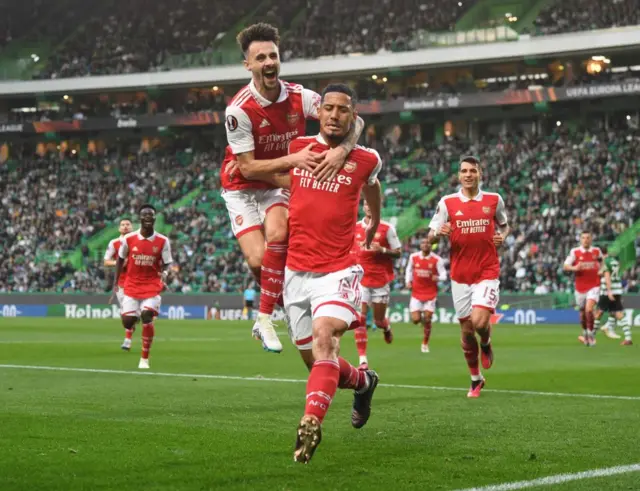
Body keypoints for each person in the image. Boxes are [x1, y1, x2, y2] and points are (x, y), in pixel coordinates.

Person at [222, 23, 365, 354]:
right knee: (258, 260)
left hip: (278, 184)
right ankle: (281, 307)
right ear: (248, 65)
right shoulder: (239, 109)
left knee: (279, 232)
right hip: (242, 187)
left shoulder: (300, 97)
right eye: (260, 58)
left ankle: (268, 315)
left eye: (273, 55)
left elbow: (353, 120)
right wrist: (295, 158)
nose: (269, 62)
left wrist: (342, 150)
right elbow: (246, 167)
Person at [261, 84, 381, 463]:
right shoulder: (298, 147)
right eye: (327, 108)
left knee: (326, 336)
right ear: (320, 112)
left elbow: (373, 187)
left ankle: (311, 422)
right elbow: (273, 174)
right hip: (297, 272)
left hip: (340, 268)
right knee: (317, 362)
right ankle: (363, 382)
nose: (333, 115)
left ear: (352, 115)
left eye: (341, 110)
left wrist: (373, 221)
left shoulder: (365, 158)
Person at [428, 156, 509, 398]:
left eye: (472, 170)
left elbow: (504, 225)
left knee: (480, 322)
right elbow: (430, 235)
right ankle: (475, 379)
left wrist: (503, 236)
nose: (468, 175)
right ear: (459, 175)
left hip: (487, 270)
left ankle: (485, 343)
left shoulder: (494, 200)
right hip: (460, 276)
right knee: (465, 331)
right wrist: (438, 233)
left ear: (480, 174)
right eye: (464, 171)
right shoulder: (447, 203)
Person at [113, 205, 173, 369]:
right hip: (132, 285)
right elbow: (119, 259)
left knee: (147, 315)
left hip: (152, 285)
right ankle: (133, 316)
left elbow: (168, 263)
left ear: (154, 219)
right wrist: (115, 283)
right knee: (127, 322)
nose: (147, 217)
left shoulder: (162, 241)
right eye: (144, 215)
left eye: (151, 215)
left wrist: (166, 273)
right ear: (139, 219)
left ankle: (144, 359)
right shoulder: (129, 239)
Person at [352, 201, 401, 368]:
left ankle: (385, 327)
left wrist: (383, 251)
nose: (368, 206)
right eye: (365, 204)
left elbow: (398, 253)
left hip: (380, 280)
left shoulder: (387, 228)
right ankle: (363, 359)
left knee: (378, 320)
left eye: (371, 204)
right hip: (361, 280)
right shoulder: (355, 228)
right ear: (363, 207)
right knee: (360, 318)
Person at [405, 238, 447, 353]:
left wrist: (438, 278)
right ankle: (420, 322)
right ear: (420, 245)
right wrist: (408, 281)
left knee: (427, 318)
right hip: (416, 292)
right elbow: (408, 270)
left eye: (428, 243)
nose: (425, 245)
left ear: (431, 245)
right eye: (423, 242)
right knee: (415, 319)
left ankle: (425, 343)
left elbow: (444, 274)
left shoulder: (437, 259)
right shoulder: (413, 257)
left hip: (430, 293)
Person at [563, 231, 602, 347]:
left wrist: (601, 271)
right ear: (580, 239)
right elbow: (565, 266)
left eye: (588, 238)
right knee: (582, 315)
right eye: (583, 238)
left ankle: (591, 334)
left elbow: (602, 263)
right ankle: (585, 332)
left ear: (591, 239)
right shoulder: (575, 252)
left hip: (594, 285)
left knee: (589, 310)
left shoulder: (597, 251)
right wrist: (575, 268)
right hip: (580, 288)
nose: (586, 240)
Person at [105, 218, 134, 350]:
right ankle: (128, 336)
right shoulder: (114, 243)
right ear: (119, 228)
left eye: (127, 224)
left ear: (132, 227)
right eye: (122, 225)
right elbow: (106, 261)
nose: (125, 226)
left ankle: (127, 340)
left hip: (138, 281)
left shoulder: (139, 242)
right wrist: (119, 263)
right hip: (122, 282)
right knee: (126, 312)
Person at [595, 247, 632, 345]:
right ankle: (627, 338)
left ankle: (591, 336)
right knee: (617, 313)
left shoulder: (605, 262)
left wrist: (609, 291)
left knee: (599, 312)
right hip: (617, 289)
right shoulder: (615, 262)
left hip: (607, 291)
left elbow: (607, 276)